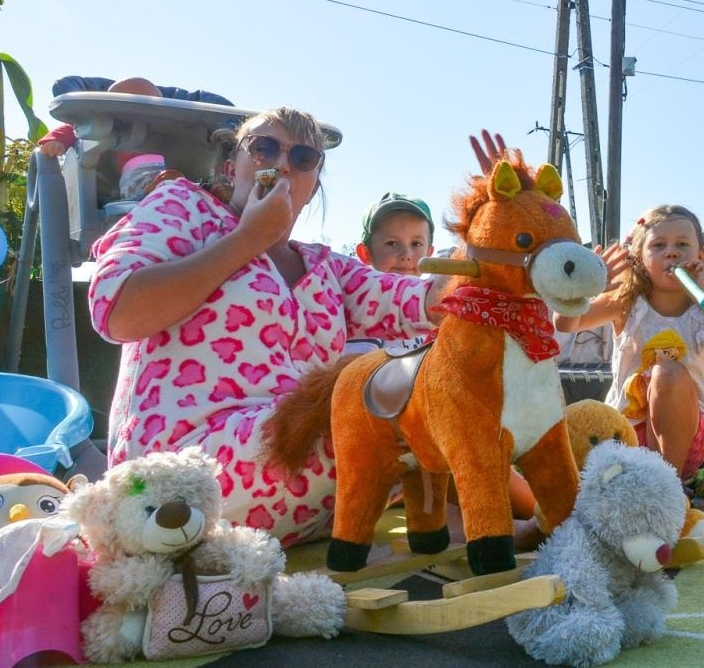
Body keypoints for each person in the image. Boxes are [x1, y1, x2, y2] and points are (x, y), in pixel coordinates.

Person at [88, 107, 452, 546]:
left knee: (439, 402)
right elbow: (117, 310)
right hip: (180, 482)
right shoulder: (184, 208)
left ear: (313, 182)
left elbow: (418, 299)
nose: (281, 164)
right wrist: (248, 239)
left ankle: (494, 531)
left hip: (294, 461)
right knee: (389, 410)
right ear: (230, 167)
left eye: (302, 158)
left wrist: (495, 260)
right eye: (263, 148)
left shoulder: (324, 266)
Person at [556, 204, 704, 479]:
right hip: (625, 435)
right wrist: (584, 288)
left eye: (682, 244)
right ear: (638, 257)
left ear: (701, 255)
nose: (671, 252)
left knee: (666, 372)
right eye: (658, 245)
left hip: (687, 441)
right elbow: (565, 323)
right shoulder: (626, 305)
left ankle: (668, 485)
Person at [356, 192, 435, 276]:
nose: (406, 255)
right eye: (392, 243)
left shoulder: (437, 288)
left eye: (416, 244)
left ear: (428, 254)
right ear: (366, 254)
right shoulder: (349, 288)